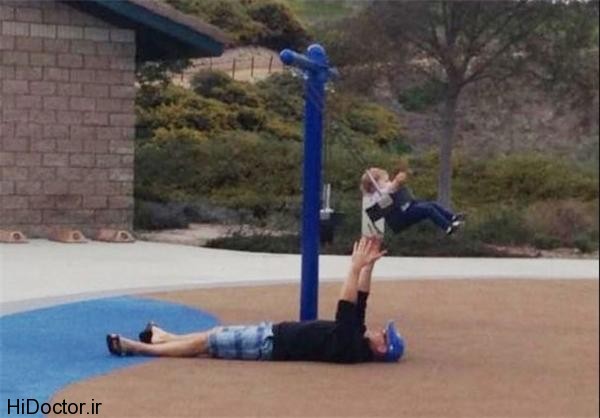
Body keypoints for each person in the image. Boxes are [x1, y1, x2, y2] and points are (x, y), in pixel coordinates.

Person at [106, 237, 404, 364]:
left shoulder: (350, 345)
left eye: (384, 334)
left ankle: (137, 348)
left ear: (381, 348)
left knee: (206, 343)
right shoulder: (356, 338)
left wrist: (354, 267)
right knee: (213, 336)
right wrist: (368, 267)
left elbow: (347, 305)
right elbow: (360, 300)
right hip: (272, 333)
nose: (380, 330)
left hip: (268, 344)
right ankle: (162, 336)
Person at [360, 164, 464, 235]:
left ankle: (452, 217)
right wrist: (396, 181)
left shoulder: (383, 190)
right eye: (385, 181)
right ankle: (447, 227)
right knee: (428, 210)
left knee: (432, 204)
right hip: (401, 216)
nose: (388, 182)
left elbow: (392, 188)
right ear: (373, 186)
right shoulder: (377, 196)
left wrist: (398, 181)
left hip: (408, 207)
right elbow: (390, 189)